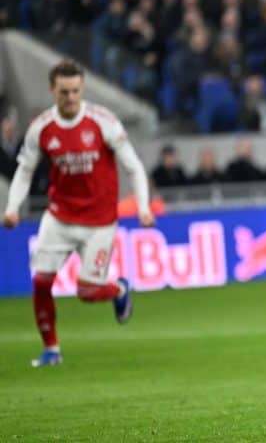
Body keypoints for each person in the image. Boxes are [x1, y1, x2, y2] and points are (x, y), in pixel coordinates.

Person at [2, 60, 155, 367]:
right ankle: (51, 350)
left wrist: (143, 206)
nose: (70, 97)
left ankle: (118, 288)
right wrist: (12, 208)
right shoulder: (42, 128)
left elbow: (134, 165)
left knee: (87, 290)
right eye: (64, 92)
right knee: (42, 282)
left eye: (75, 91)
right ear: (52, 90)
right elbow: (25, 170)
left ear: (82, 88)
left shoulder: (103, 122)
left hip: (99, 221)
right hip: (58, 217)